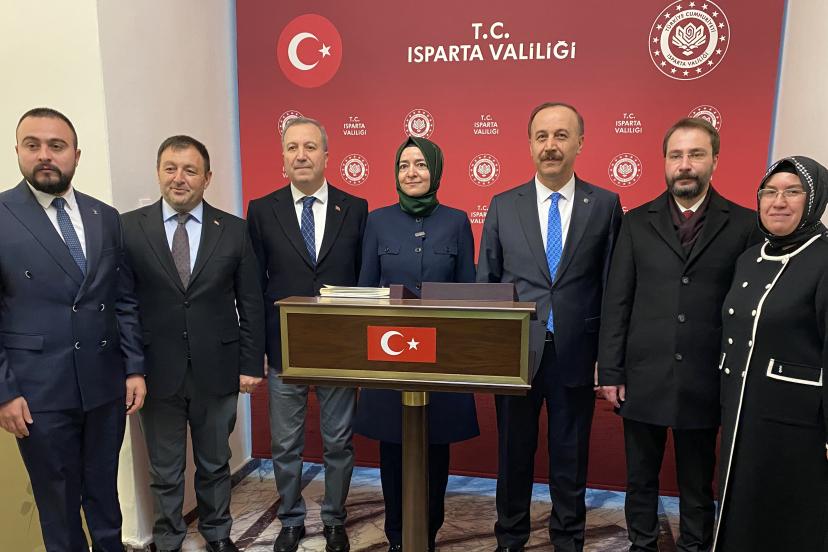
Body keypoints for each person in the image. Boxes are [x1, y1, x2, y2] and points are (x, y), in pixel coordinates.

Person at [597, 118, 759, 552]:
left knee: (697, 481)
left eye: (696, 154)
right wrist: (610, 370)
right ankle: (642, 544)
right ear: (665, 162)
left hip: (707, 378)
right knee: (640, 479)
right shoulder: (635, 222)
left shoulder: (745, 224)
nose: (685, 164)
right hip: (642, 375)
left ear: (715, 160)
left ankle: (695, 545)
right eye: (676, 155)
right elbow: (617, 301)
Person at [477, 102, 622, 552]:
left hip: (576, 352)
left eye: (561, 135)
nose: (551, 145)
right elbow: (488, 284)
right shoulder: (503, 205)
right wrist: (491, 355)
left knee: (570, 457)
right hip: (517, 353)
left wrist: (607, 358)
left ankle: (568, 539)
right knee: (512, 456)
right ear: (529, 145)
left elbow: (612, 286)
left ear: (580, 142)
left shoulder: (605, 205)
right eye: (542, 136)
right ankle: (510, 538)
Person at [0, 107, 145, 551]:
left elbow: (123, 299)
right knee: (58, 505)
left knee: (104, 495)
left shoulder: (105, 216)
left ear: (76, 155)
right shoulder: (2, 215)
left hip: (103, 383)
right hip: (38, 392)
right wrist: (4, 392)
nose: (45, 155)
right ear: (18, 151)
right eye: (33, 145)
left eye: (57, 146)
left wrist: (134, 368)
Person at [120, 135, 265, 552]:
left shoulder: (234, 230)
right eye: (170, 168)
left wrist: (250, 364)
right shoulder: (129, 228)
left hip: (217, 369)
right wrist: (132, 368)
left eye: (189, 170)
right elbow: (123, 304)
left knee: (215, 463)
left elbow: (250, 302)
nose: (179, 178)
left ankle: (218, 534)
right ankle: (168, 539)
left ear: (207, 178)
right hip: (156, 372)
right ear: (158, 172)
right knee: (165, 470)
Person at [247, 116, 367, 552]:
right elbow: (253, 286)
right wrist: (255, 350)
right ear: (282, 157)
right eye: (293, 147)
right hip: (285, 346)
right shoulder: (262, 210)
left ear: (326, 155)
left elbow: (364, 279)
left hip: (340, 348)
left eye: (310, 147)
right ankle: (291, 519)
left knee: (339, 441)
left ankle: (335, 519)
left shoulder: (355, 208)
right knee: (285, 444)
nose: (301, 155)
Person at [353, 136, 480, 552]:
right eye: (404, 165)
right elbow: (365, 290)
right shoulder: (377, 221)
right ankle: (396, 536)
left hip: (441, 359)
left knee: (435, 448)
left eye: (421, 164)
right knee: (392, 449)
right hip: (388, 355)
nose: (412, 172)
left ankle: (428, 533)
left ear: (436, 171)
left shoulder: (457, 221)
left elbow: (468, 293)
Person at [712, 156, 828, 552]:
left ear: (813, 199)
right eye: (770, 192)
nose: (779, 202)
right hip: (743, 416)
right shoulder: (750, 258)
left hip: (800, 429)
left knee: (789, 520)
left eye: (793, 192)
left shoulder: (823, 258)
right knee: (743, 512)